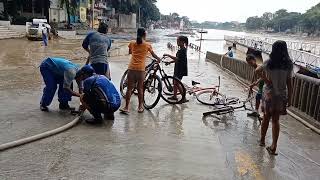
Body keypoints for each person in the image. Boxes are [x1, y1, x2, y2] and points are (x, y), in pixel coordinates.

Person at [256, 40, 293, 155]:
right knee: (276, 121)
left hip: (269, 94)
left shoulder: (269, 62)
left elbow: (257, 70)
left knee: (266, 117)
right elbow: (289, 84)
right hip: (281, 95)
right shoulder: (288, 65)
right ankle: (273, 146)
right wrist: (290, 98)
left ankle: (262, 140)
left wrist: (266, 80)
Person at [120, 28, 161, 114]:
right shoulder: (147, 45)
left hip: (131, 68)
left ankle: (126, 107)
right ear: (145, 34)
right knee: (140, 89)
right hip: (141, 69)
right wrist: (158, 59)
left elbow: (130, 52)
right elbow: (153, 55)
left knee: (129, 89)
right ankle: (140, 107)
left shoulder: (132, 43)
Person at [163, 36, 189, 102]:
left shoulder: (183, 50)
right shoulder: (181, 49)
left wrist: (168, 55)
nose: (177, 42)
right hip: (178, 68)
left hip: (180, 69)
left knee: (177, 83)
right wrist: (170, 62)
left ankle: (184, 98)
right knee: (175, 83)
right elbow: (178, 60)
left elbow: (177, 59)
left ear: (183, 42)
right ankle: (175, 96)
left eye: (178, 41)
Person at [246, 54, 264, 119]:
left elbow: (263, 77)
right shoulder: (255, 70)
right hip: (261, 87)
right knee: (257, 98)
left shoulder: (260, 67)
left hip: (265, 86)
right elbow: (252, 80)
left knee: (263, 100)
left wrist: (255, 83)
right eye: (249, 63)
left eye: (251, 62)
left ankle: (263, 115)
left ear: (254, 60)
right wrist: (250, 89)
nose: (250, 64)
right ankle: (256, 112)